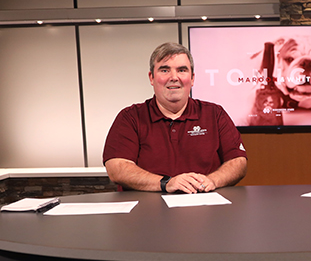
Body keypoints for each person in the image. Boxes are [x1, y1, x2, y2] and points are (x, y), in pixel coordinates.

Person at [103, 42, 248, 193]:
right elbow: (117, 167)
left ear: (192, 78)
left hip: (205, 208)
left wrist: (212, 180)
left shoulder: (215, 114)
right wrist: (167, 183)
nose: (174, 77)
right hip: (147, 212)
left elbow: (238, 162)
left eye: (182, 70)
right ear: (151, 78)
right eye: (165, 70)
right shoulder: (130, 118)